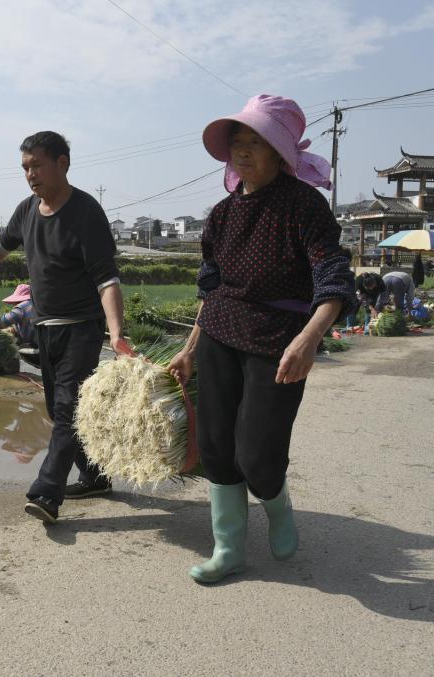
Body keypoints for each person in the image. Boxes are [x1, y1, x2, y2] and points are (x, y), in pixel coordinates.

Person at [168, 95, 355, 584]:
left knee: (257, 454)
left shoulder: (303, 207)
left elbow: (333, 276)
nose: (243, 152)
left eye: (257, 142)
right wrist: (189, 349)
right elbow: (210, 289)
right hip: (221, 336)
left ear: (280, 153)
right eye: (238, 143)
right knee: (213, 447)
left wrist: (310, 338)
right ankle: (228, 548)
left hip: (278, 341)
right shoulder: (222, 214)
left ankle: (276, 501)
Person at [0, 131, 133, 524]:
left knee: (64, 410)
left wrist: (115, 332)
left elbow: (107, 280)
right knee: (62, 407)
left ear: (62, 163)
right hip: (45, 327)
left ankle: (47, 493)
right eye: (25, 168)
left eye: (37, 166)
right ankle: (95, 475)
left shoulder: (85, 213)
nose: (31, 175)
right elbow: (0, 246)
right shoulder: (27, 210)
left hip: (81, 327)